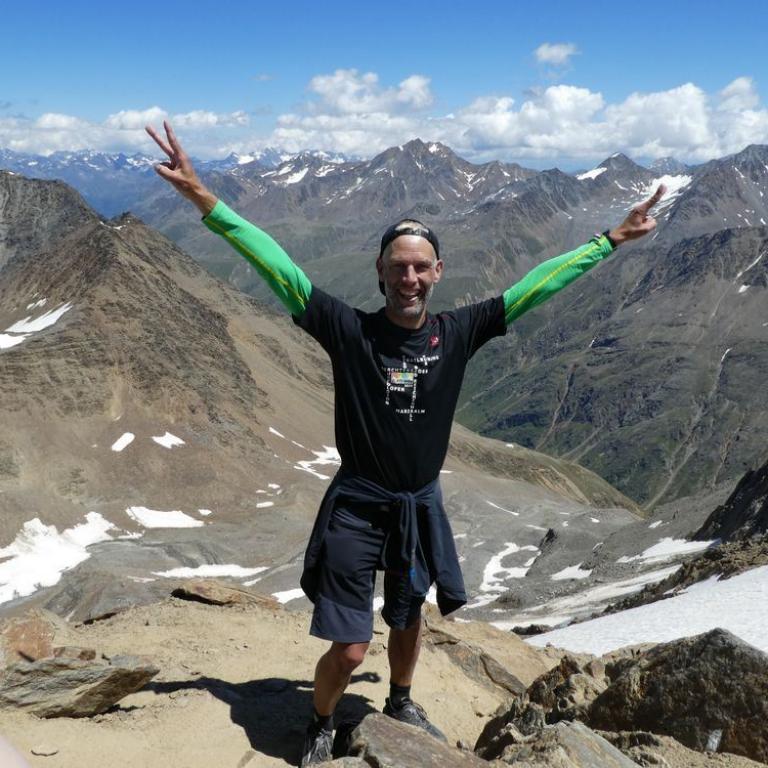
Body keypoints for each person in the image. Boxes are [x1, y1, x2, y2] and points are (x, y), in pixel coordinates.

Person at [146, 121, 664, 765]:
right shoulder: (347, 330)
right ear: (380, 273)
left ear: (438, 272)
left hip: (418, 505)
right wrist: (205, 200)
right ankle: (320, 721)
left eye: (420, 267)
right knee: (349, 647)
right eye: (398, 267)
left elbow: (537, 285)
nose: (409, 277)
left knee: (408, 617)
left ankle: (400, 699)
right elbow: (276, 265)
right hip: (357, 507)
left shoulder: (461, 330)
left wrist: (610, 240)